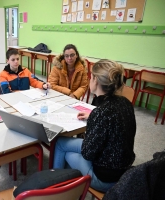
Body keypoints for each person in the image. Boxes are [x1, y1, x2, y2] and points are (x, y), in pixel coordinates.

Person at [53, 59, 136, 192]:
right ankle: (66, 183)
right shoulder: (125, 103)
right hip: (124, 170)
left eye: (90, 76)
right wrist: (92, 116)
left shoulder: (101, 113)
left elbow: (88, 153)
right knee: (63, 144)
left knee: (63, 148)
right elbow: (111, 119)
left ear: (96, 80)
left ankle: (56, 186)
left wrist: (94, 118)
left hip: (105, 178)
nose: (89, 79)